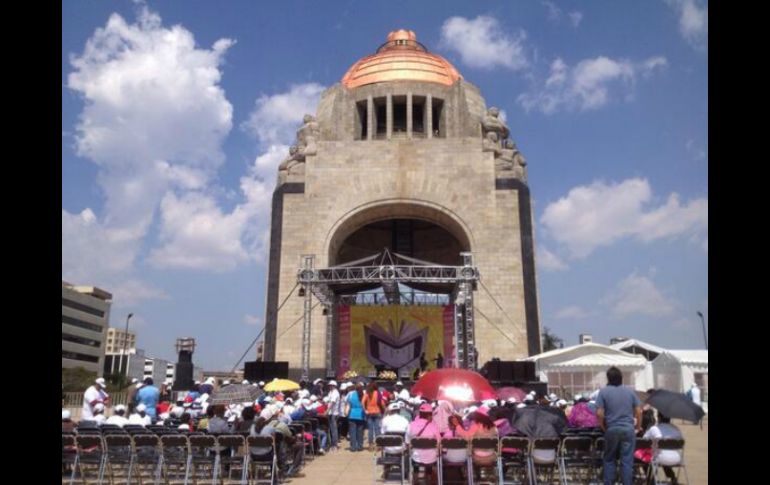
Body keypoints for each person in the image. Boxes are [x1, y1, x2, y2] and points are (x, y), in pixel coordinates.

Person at [595, 367, 642, 485]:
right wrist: (637, 427)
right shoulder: (630, 391)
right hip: (628, 428)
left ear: (608, 378)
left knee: (609, 459)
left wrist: (602, 426)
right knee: (626, 461)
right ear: (621, 377)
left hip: (611, 428)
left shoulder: (603, 392)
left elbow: (599, 413)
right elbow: (639, 411)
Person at [642, 412, 684, 485]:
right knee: (662, 452)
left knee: (655, 454)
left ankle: (652, 479)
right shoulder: (676, 429)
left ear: (659, 418)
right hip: (677, 458)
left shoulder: (654, 428)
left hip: (661, 458)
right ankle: (671, 476)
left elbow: (644, 439)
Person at [361, 382, 385, 450]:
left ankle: (370, 445)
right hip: (377, 412)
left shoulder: (367, 393)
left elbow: (362, 402)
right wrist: (385, 410)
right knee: (377, 429)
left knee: (370, 430)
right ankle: (378, 445)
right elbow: (382, 403)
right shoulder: (377, 393)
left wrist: (365, 410)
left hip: (369, 412)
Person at [345, 382, 366, 452]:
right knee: (360, 432)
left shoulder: (351, 394)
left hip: (352, 415)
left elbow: (348, 404)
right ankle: (360, 446)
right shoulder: (364, 394)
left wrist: (346, 413)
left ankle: (353, 447)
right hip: (361, 415)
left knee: (352, 432)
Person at [326, 380, 341, 449]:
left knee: (334, 429)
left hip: (334, 413)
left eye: (332, 385)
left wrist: (327, 411)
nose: (330, 386)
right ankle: (332, 443)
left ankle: (335, 444)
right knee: (331, 429)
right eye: (330, 385)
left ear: (334, 386)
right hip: (330, 413)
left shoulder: (335, 393)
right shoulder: (330, 392)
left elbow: (332, 403)